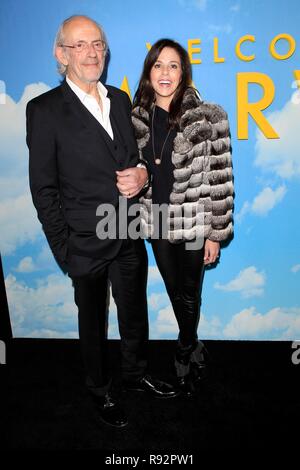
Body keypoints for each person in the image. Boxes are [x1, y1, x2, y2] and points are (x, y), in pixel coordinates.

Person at [26, 17, 177, 429]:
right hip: (84, 242)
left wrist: (143, 173)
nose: (92, 53)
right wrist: (65, 250)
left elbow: (135, 160)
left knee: (134, 312)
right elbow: (44, 188)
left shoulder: (121, 98)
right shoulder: (43, 111)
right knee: (92, 325)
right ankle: (100, 390)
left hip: (126, 229)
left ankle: (135, 373)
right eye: (81, 45)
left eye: (98, 44)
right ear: (62, 54)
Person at [132, 39, 234, 397]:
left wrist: (215, 234)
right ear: (148, 72)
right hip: (156, 221)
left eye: (173, 65)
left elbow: (222, 178)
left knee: (190, 294)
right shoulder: (134, 120)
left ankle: (182, 352)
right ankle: (194, 346)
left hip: (195, 222)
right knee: (177, 292)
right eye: (158, 65)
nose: (165, 73)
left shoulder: (210, 116)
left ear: (184, 72)